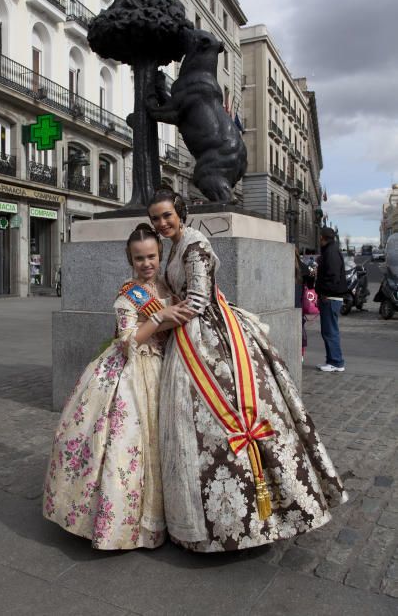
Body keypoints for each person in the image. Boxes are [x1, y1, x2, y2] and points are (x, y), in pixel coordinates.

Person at [148, 189, 347, 553]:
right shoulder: (176, 245)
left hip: (206, 337)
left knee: (232, 415)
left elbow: (196, 300)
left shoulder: (195, 244)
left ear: (181, 213)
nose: (162, 223)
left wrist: (157, 321)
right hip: (190, 333)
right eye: (156, 218)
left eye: (166, 216)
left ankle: (251, 515)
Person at [42, 223, 193, 549]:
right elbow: (127, 341)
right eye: (139, 258)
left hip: (164, 367)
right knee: (126, 443)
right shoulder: (130, 294)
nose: (146, 263)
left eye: (151, 256)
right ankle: (122, 524)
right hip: (131, 369)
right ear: (130, 259)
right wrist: (158, 318)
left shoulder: (167, 288)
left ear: (160, 254)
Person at [315, 227, 347, 372]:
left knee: (330, 331)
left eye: (320, 237)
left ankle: (336, 362)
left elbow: (333, 276)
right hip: (330, 296)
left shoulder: (331, 252)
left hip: (330, 297)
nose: (319, 239)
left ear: (323, 238)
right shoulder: (331, 250)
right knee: (328, 330)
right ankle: (332, 361)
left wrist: (324, 292)